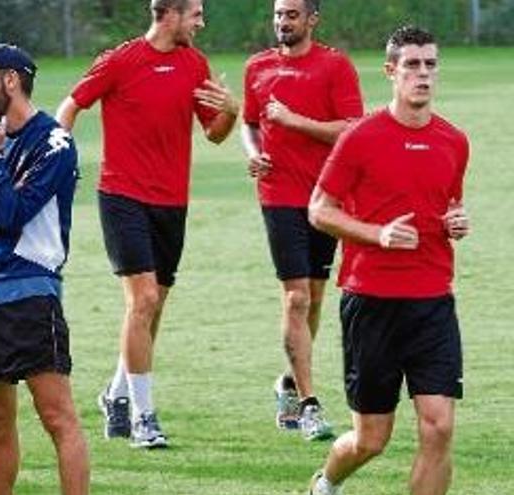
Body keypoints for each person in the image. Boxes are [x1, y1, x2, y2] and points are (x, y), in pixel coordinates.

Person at [55, 0, 237, 448]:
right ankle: (144, 417)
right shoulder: (121, 60)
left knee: (152, 308)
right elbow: (70, 106)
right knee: (145, 299)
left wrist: (232, 109)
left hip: (172, 202)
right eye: (195, 14)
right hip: (122, 196)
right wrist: (56, 157)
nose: (201, 22)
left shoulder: (195, 64)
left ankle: (115, 393)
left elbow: (214, 133)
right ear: (169, 14)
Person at [306, 25, 469, 495]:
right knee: (371, 439)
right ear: (390, 72)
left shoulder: (454, 141)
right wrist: (378, 234)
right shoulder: (361, 137)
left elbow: (448, 205)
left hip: (433, 303)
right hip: (371, 303)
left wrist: (455, 221)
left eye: (430, 65)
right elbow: (319, 209)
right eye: (412, 65)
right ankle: (327, 482)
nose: (423, 74)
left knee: (438, 427)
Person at [0, 43, 89, 495]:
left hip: (30, 291)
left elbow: (12, 214)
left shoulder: (54, 142)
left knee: (57, 417)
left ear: (11, 80)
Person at [239, 0, 364, 440]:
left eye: (292, 14)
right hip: (278, 196)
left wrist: (294, 121)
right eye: (277, 14)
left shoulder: (335, 66)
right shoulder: (256, 67)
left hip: (326, 197)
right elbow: (249, 123)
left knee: (312, 296)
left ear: (312, 19)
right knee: (295, 299)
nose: (282, 22)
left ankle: (288, 382)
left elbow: (352, 127)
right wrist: (254, 155)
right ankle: (309, 403)